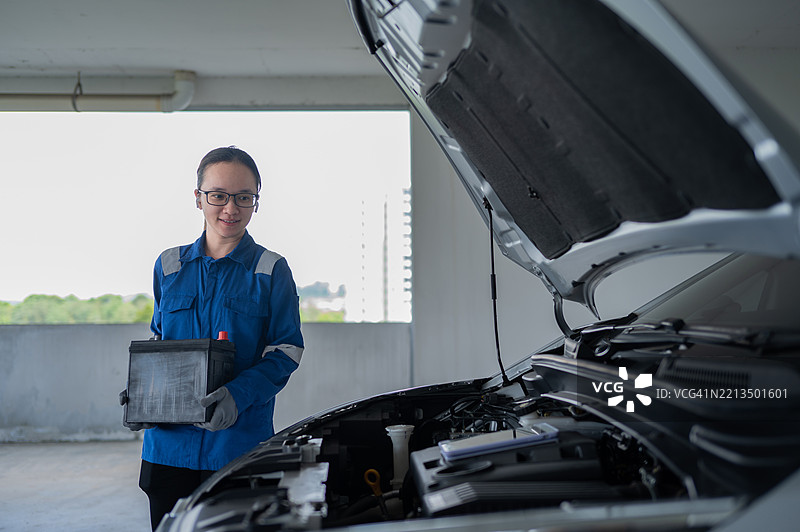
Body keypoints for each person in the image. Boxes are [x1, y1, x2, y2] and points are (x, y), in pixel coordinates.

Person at [125, 146, 304, 530]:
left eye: (244, 198)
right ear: (198, 198)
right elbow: (159, 340)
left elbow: (286, 351)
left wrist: (237, 396)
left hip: (237, 448)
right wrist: (142, 397)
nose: (231, 208)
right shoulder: (169, 266)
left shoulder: (270, 270)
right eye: (219, 196)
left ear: (256, 201)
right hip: (167, 449)